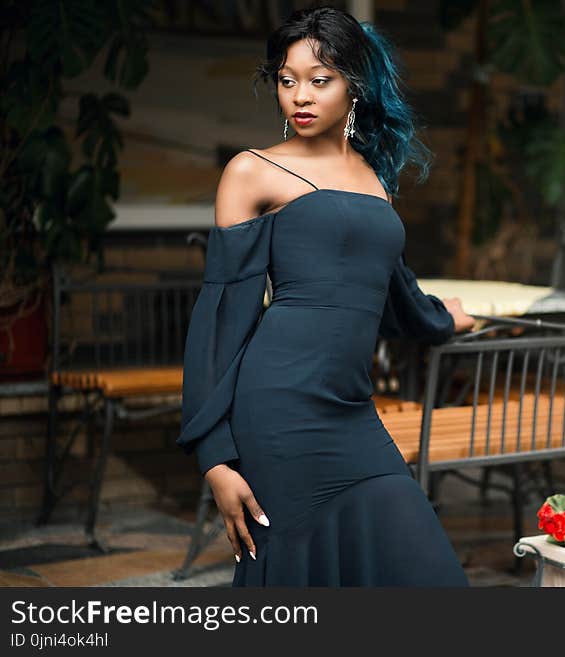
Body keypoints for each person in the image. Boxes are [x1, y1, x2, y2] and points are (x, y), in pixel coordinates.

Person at [176, 6, 475, 586]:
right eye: (288, 81)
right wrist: (214, 456)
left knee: (432, 578)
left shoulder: (373, 175)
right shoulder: (252, 172)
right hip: (278, 410)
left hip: (352, 410)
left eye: (320, 79)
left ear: (354, 86)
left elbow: (395, 293)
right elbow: (220, 319)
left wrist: (445, 321)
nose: (300, 96)